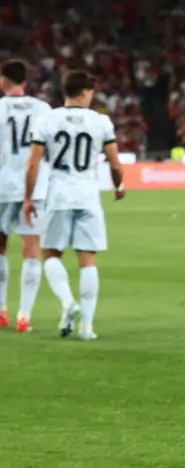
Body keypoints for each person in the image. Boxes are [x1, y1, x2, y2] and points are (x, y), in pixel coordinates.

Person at [23, 70, 125, 340]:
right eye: (90, 92)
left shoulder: (47, 119)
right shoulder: (101, 121)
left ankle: (68, 302)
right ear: (82, 92)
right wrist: (118, 186)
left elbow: (33, 163)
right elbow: (115, 163)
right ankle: (87, 327)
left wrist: (28, 197)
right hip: (88, 194)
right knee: (88, 259)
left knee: (51, 254)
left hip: (58, 194)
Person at [0, 59, 51, 332]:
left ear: (3, 80)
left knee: (1, 248)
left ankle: (1, 311)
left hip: (2, 188)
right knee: (31, 251)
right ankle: (24, 316)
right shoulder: (43, 109)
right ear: (25, 82)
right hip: (35, 188)